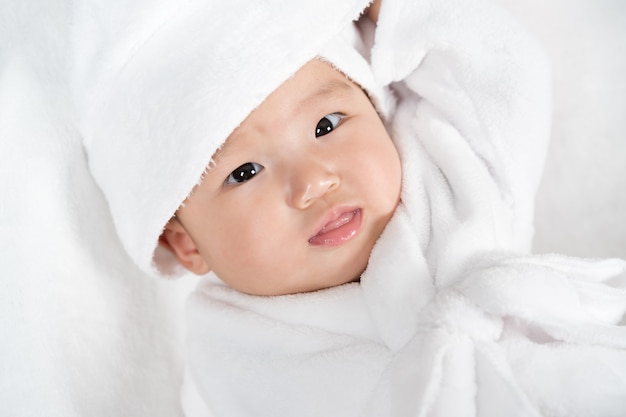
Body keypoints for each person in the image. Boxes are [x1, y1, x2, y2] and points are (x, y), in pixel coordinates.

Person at [73, 0, 626, 415]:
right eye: (244, 173)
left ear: (374, 104)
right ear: (185, 243)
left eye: (326, 125)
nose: (313, 181)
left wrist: (400, 14)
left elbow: (501, 70)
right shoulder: (228, 348)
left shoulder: (444, 165)